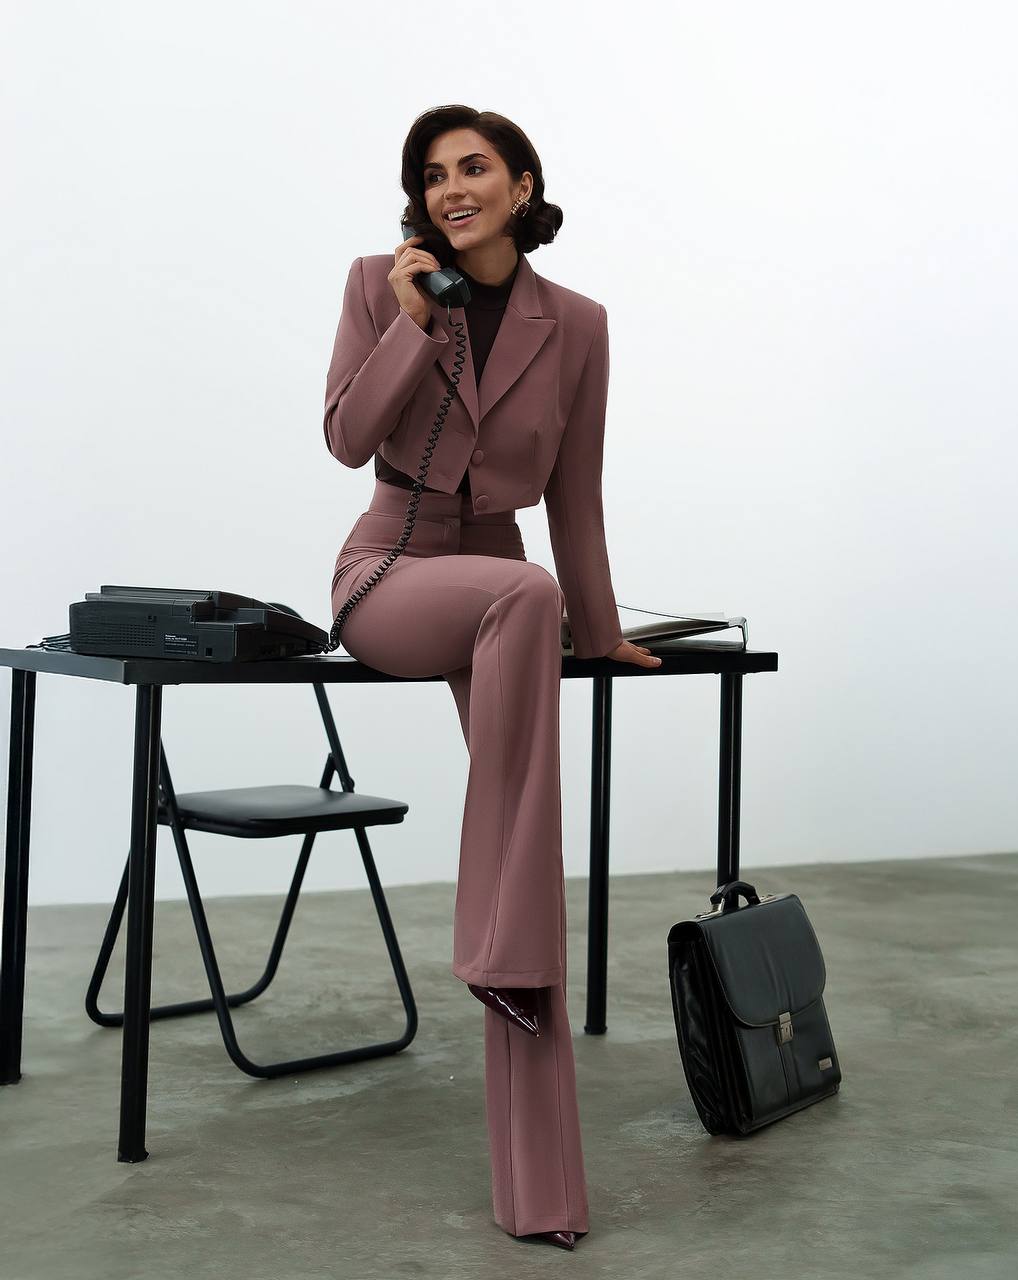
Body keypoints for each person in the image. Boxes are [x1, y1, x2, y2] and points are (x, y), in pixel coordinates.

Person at [323, 105, 661, 1251]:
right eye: (433, 174)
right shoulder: (381, 282)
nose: (453, 187)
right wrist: (413, 322)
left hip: (511, 593)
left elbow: (576, 492)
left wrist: (603, 628)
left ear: (522, 183)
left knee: (531, 827)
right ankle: (499, 935)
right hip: (392, 575)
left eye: (475, 168)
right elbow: (343, 433)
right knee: (524, 601)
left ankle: (545, 1199)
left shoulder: (579, 325)